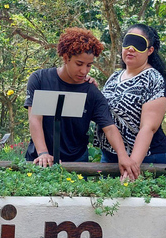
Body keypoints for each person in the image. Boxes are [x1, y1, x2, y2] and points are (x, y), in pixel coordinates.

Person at [25, 28, 138, 179]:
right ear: (66, 58)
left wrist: (123, 156)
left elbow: (109, 127)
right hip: (39, 160)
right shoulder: (39, 79)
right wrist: (43, 153)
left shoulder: (91, 92)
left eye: (89, 65)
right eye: (79, 64)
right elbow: (34, 118)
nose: (84, 71)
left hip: (77, 164)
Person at [96, 24, 166, 169]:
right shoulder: (114, 77)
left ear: (150, 50)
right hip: (112, 157)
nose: (131, 48)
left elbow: (148, 128)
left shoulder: (153, 79)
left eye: (138, 44)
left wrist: (132, 166)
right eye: (128, 43)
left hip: (148, 159)